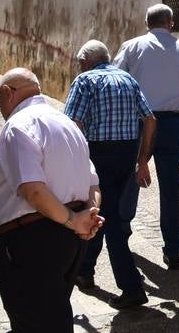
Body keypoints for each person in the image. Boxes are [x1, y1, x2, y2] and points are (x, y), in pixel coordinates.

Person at [0, 67, 103, 332]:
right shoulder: (67, 124)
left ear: (8, 93)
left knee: (33, 318)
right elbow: (93, 184)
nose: (0, 108)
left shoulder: (18, 125)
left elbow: (33, 190)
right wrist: (90, 213)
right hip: (68, 240)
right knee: (53, 313)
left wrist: (76, 220)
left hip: (33, 238)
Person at [111, 3, 179, 268]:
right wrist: (177, 97)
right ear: (170, 23)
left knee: (130, 178)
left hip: (139, 121)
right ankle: (173, 249)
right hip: (172, 123)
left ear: (147, 23)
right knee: (170, 185)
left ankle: (121, 235)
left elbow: (119, 82)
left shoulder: (131, 47)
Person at [64, 40, 156, 309]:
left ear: (86, 61)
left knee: (106, 216)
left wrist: (72, 160)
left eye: (80, 63)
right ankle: (84, 270)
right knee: (105, 210)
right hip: (126, 154)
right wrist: (142, 159)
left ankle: (131, 287)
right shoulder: (127, 79)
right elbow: (150, 119)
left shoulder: (85, 81)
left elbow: (72, 124)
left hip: (98, 153)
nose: (79, 67)